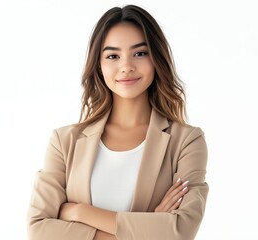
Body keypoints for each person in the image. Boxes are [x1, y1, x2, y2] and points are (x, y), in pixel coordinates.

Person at [27, 4, 208, 240]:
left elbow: (179, 231)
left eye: (140, 53)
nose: (126, 66)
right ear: (99, 66)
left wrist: (79, 211)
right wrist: (148, 227)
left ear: (156, 59)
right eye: (113, 56)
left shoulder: (186, 141)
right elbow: (39, 229)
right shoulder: (64, 142)